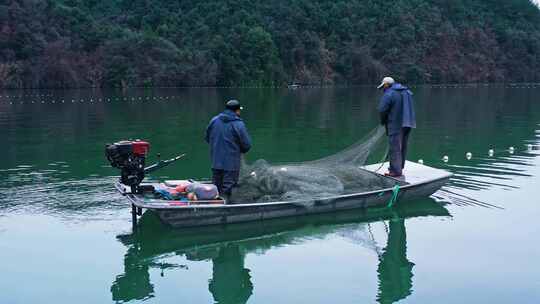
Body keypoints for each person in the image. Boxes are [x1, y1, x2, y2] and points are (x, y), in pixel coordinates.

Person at [205, 100, 252, 202]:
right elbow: (247, 145)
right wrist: (240, 150)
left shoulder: (214, 120)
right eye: (239, 110)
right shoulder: (238, 124)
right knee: (228, 189)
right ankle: (225, 208)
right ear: (237, 111)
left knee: (216, 187)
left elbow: (207, 138)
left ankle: (213, 204)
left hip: (216, 162)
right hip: (231, 164)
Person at [377, 77, 416, 177]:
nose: (383, 90)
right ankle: (399, 168)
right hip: (408, 123)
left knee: (395, 148)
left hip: (395, 124)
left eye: (383, 87)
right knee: (402, 146)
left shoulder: (389, 93)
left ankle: (395, 171)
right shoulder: (406, 91)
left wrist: (383, 121)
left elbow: (382, 110)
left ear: (386, 85)